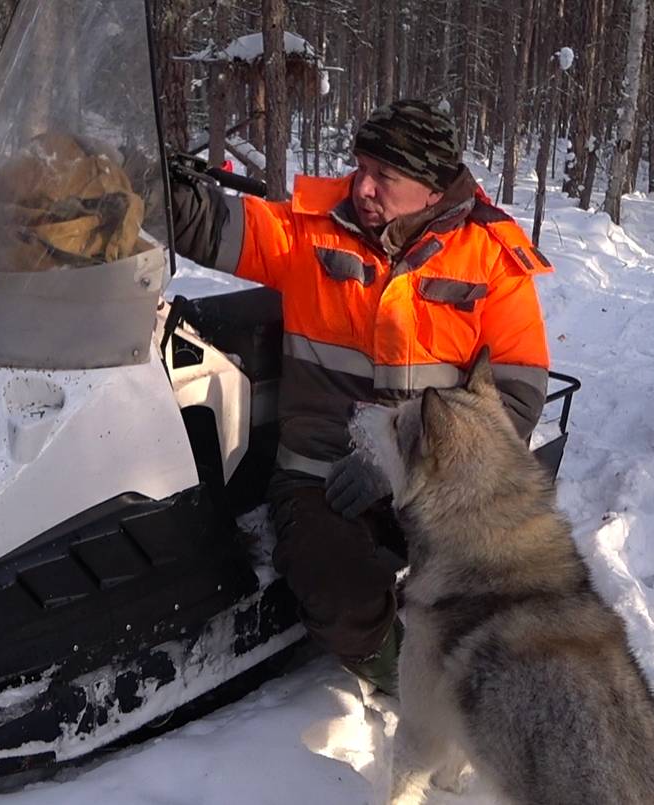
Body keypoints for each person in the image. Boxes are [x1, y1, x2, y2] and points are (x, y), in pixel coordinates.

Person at [169, 99, 551, 693]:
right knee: (337, 590)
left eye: (384, 177)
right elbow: (214, 226)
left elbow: (518, 396)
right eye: (361, 167)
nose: (363, 187)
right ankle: (412, 684)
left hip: (438, 478)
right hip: (319, 472)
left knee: (505, 585)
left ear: (431, 190)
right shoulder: (311, 232)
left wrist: (400, 460)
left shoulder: (492, 259)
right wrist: (140, 188)